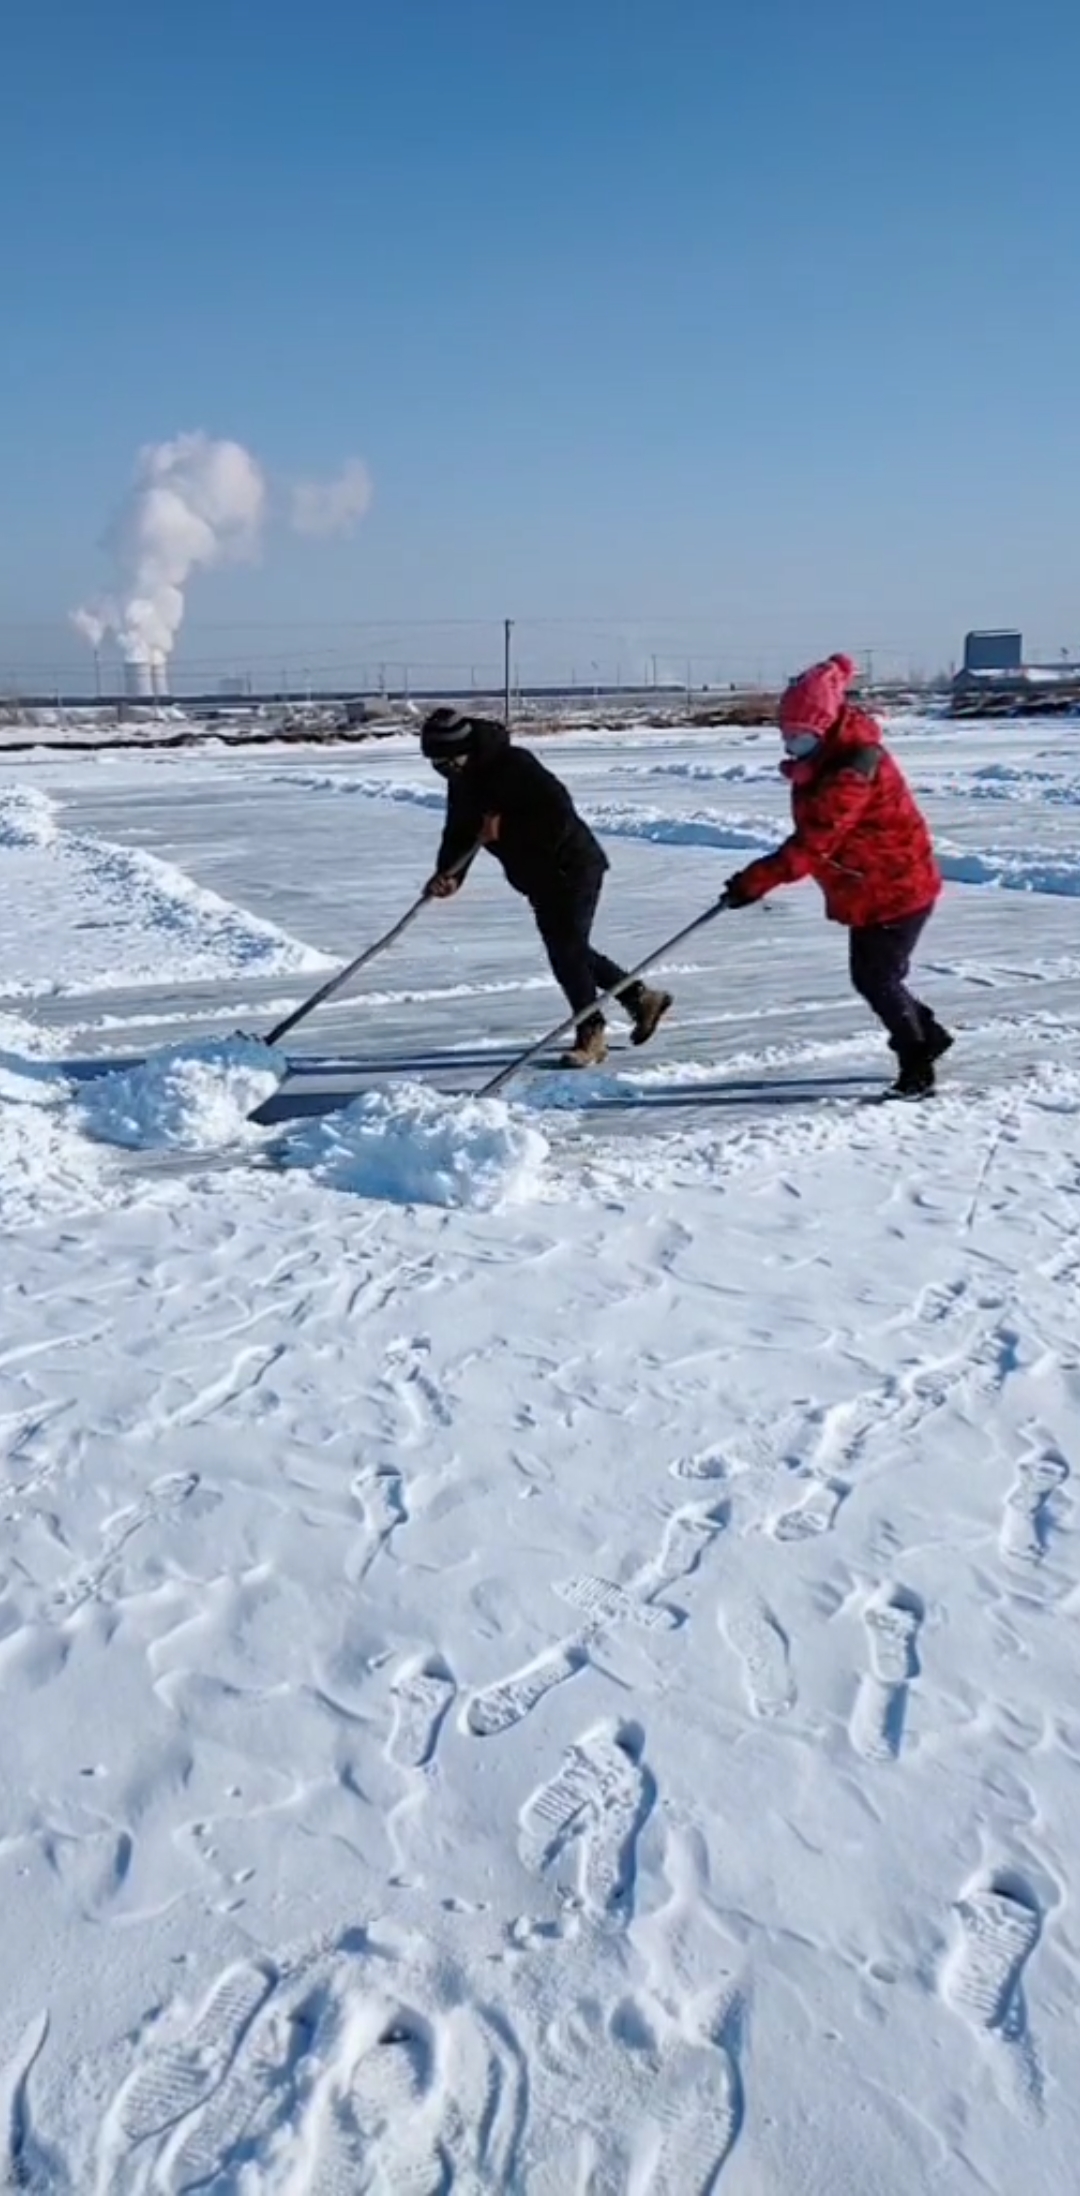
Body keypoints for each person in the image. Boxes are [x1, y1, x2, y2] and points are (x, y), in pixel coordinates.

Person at [720, 653, 951, 1098]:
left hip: (896, 886)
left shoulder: (851, 770)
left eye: (800, 737)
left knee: (876, 978)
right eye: (786, 736)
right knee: (877, 976)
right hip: (869, 885)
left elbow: (815, 840)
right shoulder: (829, 758)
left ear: (824, 727)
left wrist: (754, 881)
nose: (791, 746)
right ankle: (927, 1035)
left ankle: (917, 1060)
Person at [419, 707, 672, 1067]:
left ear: (467, 749)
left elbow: (557, 814)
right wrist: (448, 875)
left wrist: (505, 829)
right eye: (437, 764)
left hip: (571, 865)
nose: (445, 770)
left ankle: (592, 1032)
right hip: (536, 876)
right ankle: (640, 998)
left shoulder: (514, 765)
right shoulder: (462, 780)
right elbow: (459, 832)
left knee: (566, 952)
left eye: (448, 761)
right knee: (570, 949)